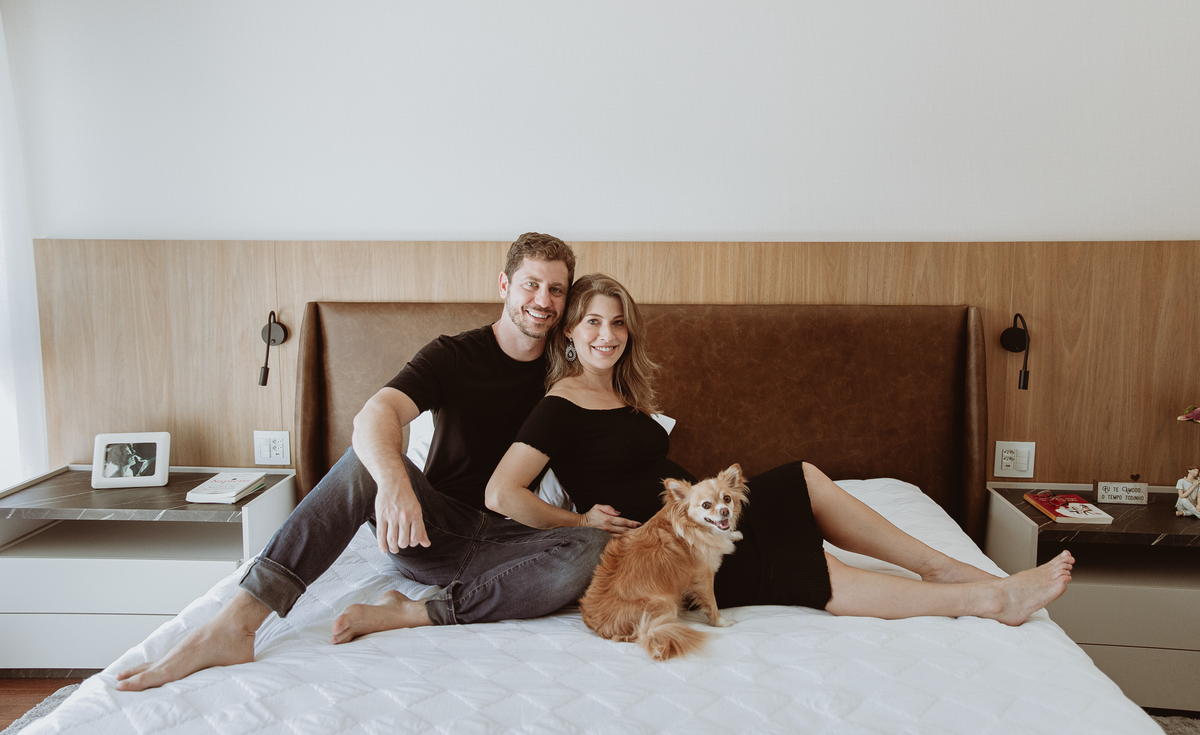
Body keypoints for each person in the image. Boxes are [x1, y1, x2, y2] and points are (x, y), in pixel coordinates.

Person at [117, 233, 611, 691]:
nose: (543, 300)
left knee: (594, 548)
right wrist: (394, 485)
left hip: (513, 546)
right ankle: (235, 624)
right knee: (363, 461)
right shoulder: (454, 355)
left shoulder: (571, 371)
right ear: (504, 285)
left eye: (556, 290)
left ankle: (414, 612)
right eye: (530, 284)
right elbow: (376, 414)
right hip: (430, 532)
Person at [486, 273, 1075, 625]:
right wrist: (579, 522)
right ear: (569, 331)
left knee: (804, 479)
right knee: (816, 566)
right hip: (675, 547)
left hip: (705, 519)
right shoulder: (560, 402)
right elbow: (501, 492)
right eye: (592, 322)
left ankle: (940, 567)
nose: (607, 335)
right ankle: (989, 599)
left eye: (617, 323)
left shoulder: (621, 394)